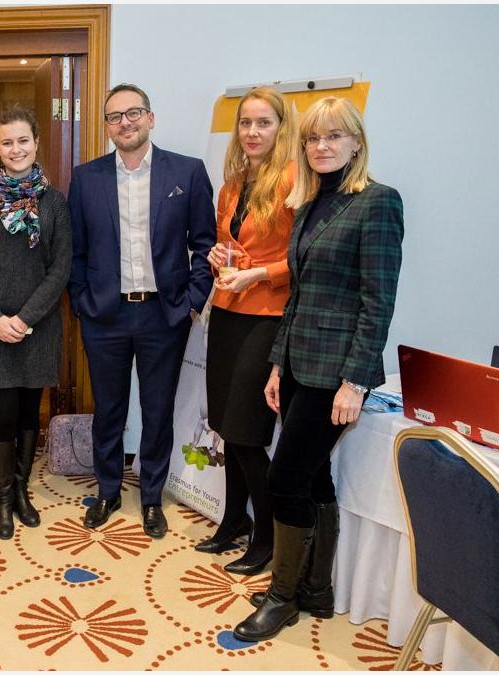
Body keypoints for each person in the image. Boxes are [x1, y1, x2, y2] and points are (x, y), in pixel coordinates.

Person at [234, 96, 404, 641]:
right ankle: (315, 588)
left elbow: (378, 303)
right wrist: (277, 365)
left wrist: (355, 381)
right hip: (298, 364)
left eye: (333, 136)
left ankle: (281, 596)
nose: (321, 146)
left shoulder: (378, 202)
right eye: (312, 138)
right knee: (314, 476)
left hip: (337, 374)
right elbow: (300, 296)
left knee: (285, 479)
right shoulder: (309, 203)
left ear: (356, 143)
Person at [67, 83, 216, 539]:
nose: (125, 122)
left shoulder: (187, 172)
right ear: (106, 127)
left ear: (150, 118)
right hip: (105, 316)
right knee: (108, 410)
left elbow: (205, 245)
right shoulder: (86, 178)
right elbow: (75, 251)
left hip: (163, 316)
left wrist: (192, 303)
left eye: (133, 113)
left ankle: (151, 497)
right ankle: (107, 490)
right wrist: (82, 301)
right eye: (115, 116)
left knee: (157, 410)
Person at [194, 87, 297, 577]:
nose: (252, 132)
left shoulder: (295, 180)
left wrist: (259, 274)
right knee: (226, 426)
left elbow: (302, 257)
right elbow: (226, 245)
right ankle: (234, 518)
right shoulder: (232, 183)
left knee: (248, 432)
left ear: (281, 127)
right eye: (245, 123)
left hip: (268, 316)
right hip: (228, 311)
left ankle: (268, 536)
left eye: (263, 123)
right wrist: (217, 256)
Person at [0, 109, 72, 539]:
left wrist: (25, 318)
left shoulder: (55, 202)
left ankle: (22, 490)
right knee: (1, 414)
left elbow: (60, 268)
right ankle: (3, 498)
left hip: (38, 327)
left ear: (36, 142)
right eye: (7, 142)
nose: (16, 149)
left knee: (29, 412)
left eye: (23, 140)